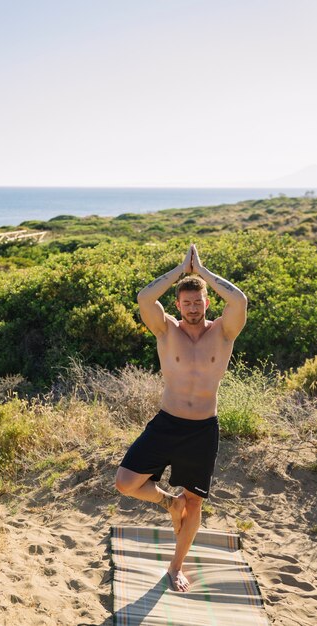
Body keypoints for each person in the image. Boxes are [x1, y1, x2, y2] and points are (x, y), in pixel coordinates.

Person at [115, 243, 247, 592]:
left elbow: (240, 302)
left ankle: (176, 567)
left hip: (203, 430)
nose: (191, 307)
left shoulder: (223, 332)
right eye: (185, 302)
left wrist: (202, 273)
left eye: (197, 301)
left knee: (195, 501)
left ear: (207, 302)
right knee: (125, 482)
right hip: (167, 423)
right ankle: (167, 502)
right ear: (177, 304)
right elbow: (145, 298)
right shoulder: (166, 330)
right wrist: (179, 272)